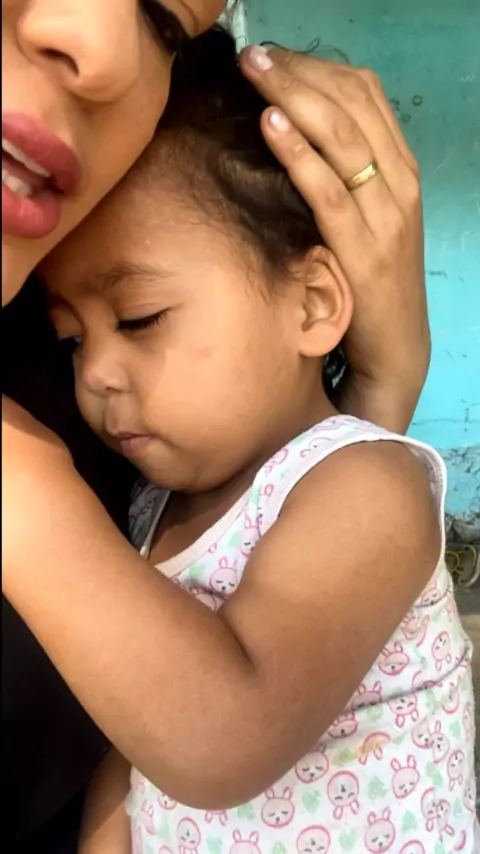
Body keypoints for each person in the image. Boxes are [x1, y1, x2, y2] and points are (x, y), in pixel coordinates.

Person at [30, 25, 480, 853]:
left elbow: (224, 736)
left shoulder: (369, 487)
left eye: (140, 318)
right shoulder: (158, 506)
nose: (95, 372)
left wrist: (28, 492)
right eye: (72, 340)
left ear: (312, 304)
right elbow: (138, 725)